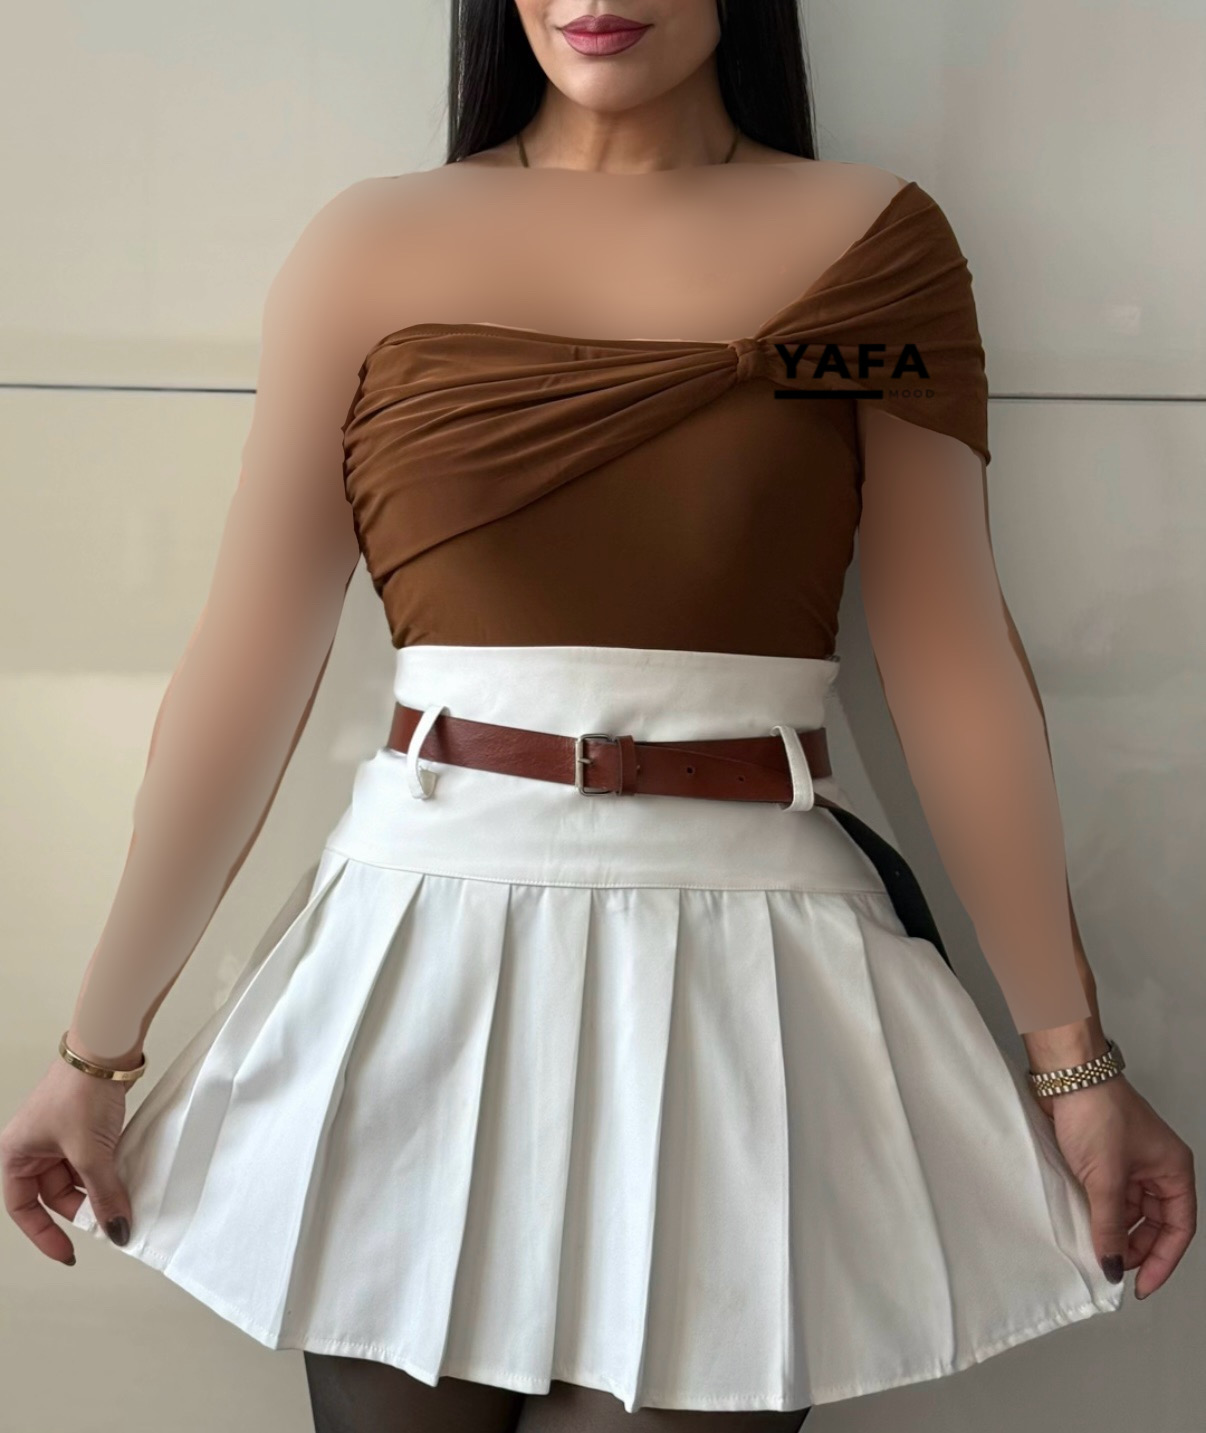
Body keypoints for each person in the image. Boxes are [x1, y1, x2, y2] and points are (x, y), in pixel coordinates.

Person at [2, 2, 1196, 1430]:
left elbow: (951, 660)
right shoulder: (366, 246)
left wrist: (1074, 1060)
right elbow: (247, 663)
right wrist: (94, 1050)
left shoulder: (870, 244)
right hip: (414, 955)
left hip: (752, 977)